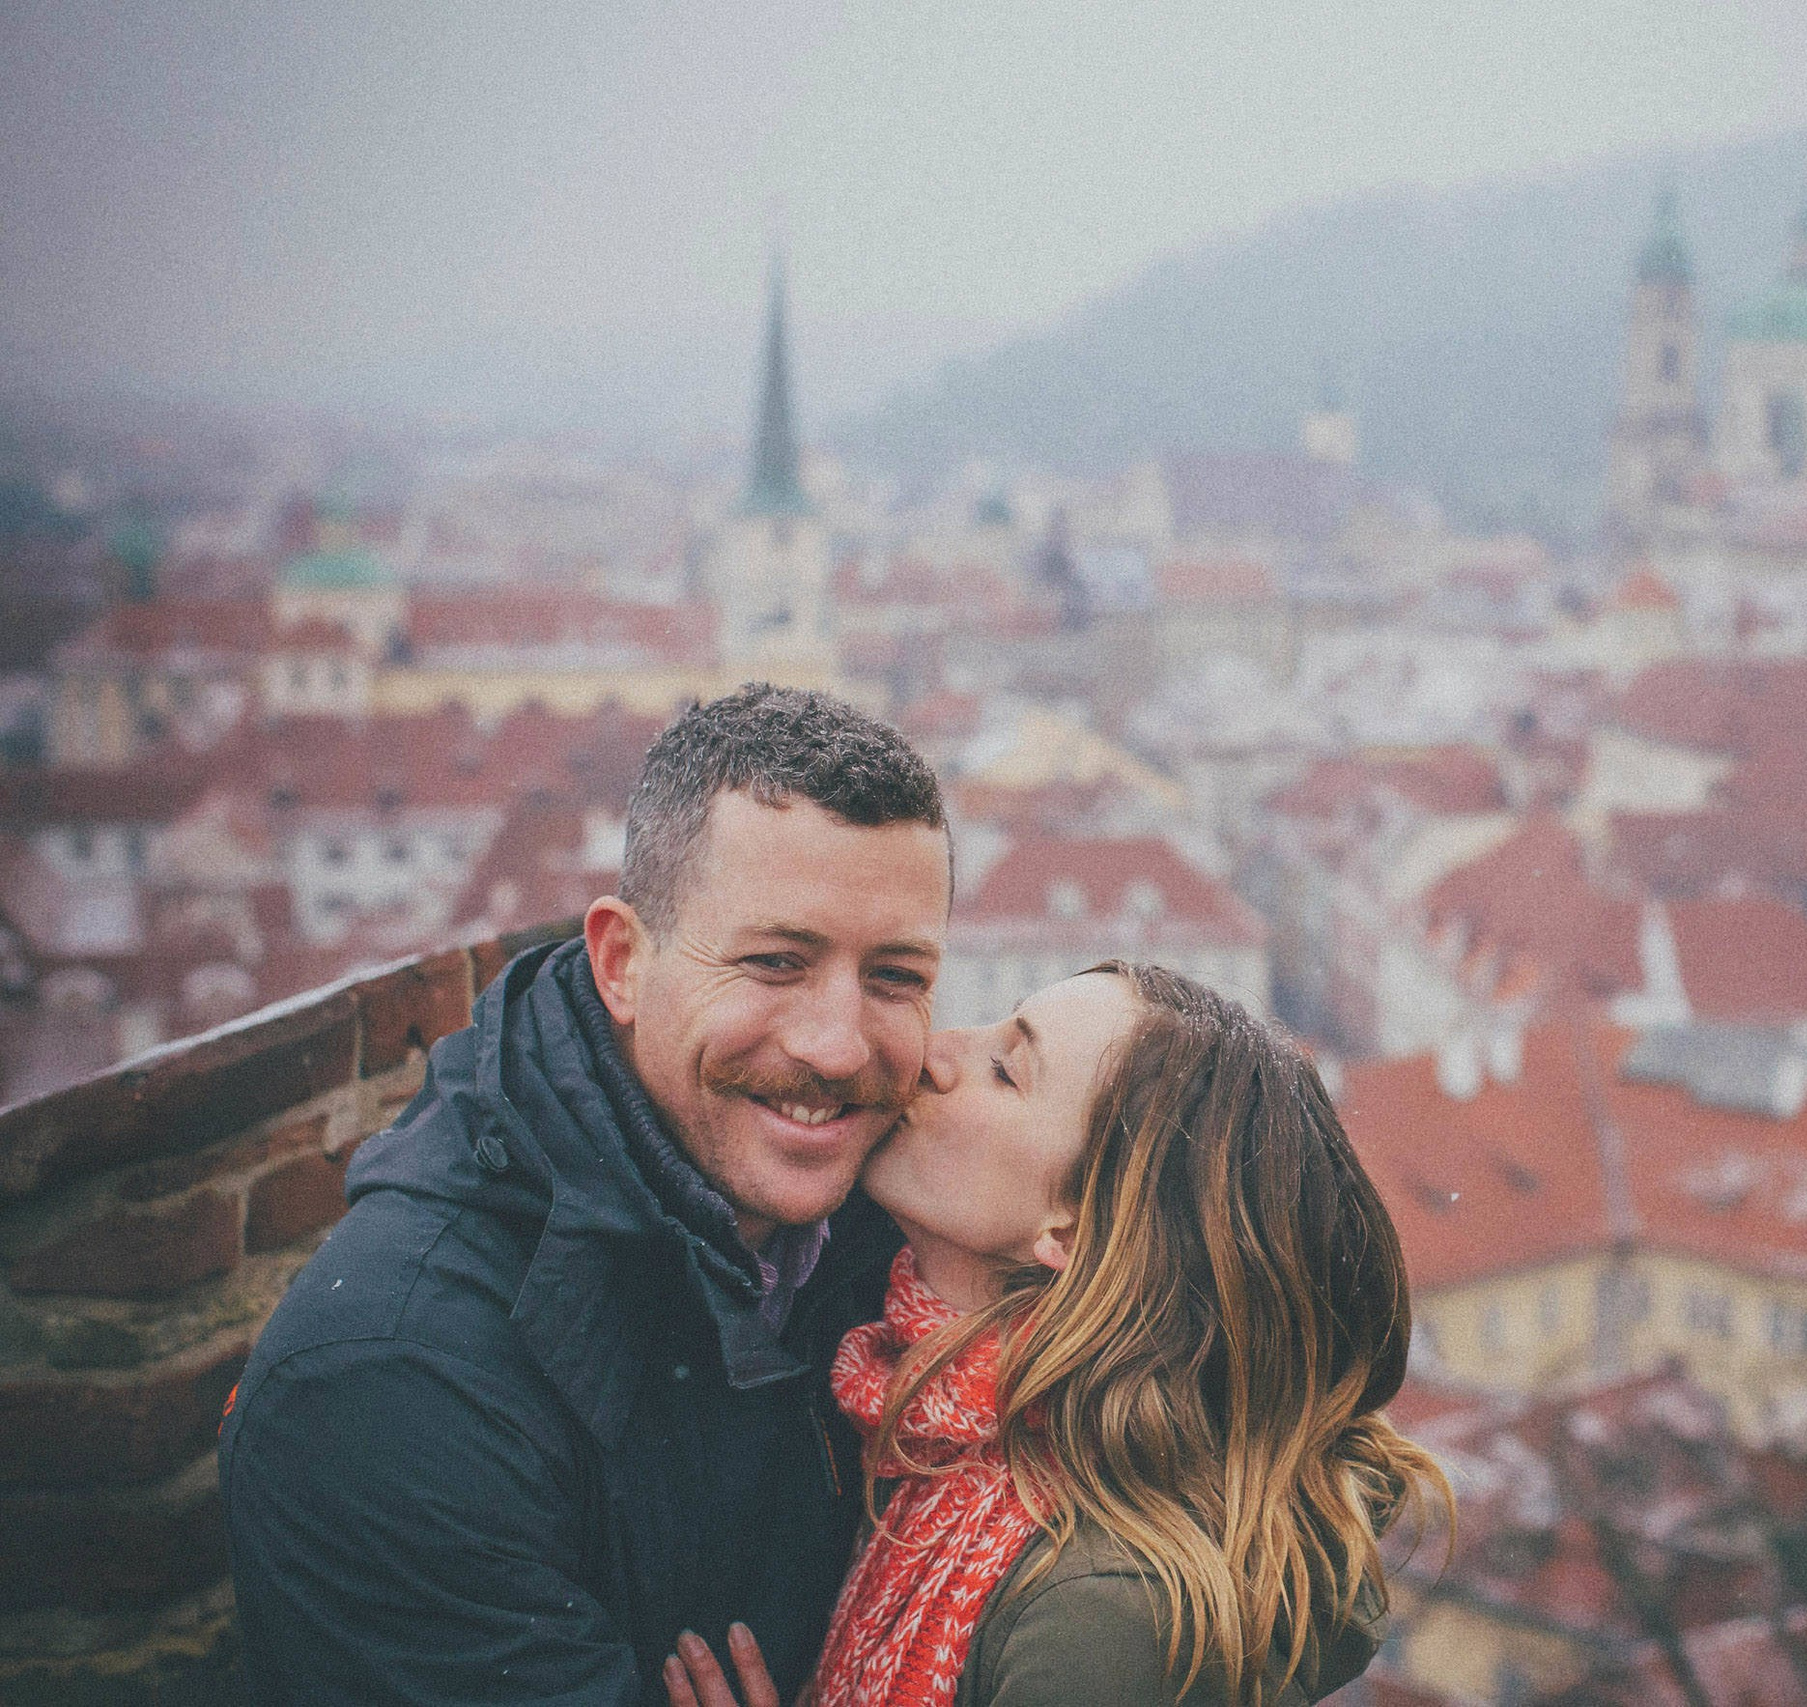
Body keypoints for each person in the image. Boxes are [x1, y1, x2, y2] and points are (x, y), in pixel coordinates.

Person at [219, 684, 953, 1705]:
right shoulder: (391, 1381)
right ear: (621, 963)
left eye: (896, 976)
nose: (837, 1044)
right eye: (774, 963)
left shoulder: (907, 1228)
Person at [666, 963, 1447, 1707]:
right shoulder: (921, 1426)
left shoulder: (1103, 1623)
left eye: (1006, 1070)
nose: (933, 1052)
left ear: (1074, 1228)